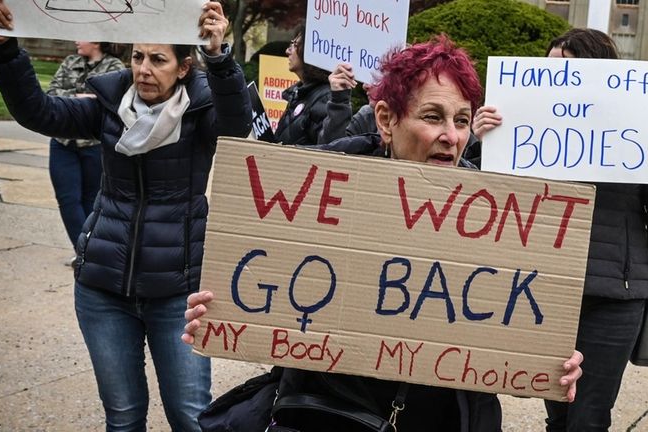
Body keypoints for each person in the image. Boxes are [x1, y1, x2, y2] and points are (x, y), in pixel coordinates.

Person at [182, 35, 584, 432]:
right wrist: (215, 309)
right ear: (386, 120)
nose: (452, 135)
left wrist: (548, 360)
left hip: (440, 417)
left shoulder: (494, 218)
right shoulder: (319, 191)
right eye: (432, 117)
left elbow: (510, 324)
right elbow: (261, 281)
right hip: (328, 412)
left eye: (462, 120)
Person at [0, 2, 252, 431]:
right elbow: (39, 112)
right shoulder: (108, 105)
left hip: (177, 294)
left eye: (158, 59)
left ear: (184, 68)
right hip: (103, 291)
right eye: (137, 57)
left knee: (190, 418)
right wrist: (5, 52)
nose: (144, 69)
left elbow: (237, 128)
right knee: (123, 416)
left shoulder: (204, 113)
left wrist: (220, 57)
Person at [471, 28, 648, 432]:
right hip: (544, 289)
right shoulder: (525, 127)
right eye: (550, 71)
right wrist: (481, 141)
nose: (556, 83)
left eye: (568, 72)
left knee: (589, 416)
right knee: (557, 409)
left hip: (614, 296)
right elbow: (482, 198)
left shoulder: (641, 129)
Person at [46, 41, 125, 266]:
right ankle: (84, 252)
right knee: (67, 199)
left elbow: (112, 102)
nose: (76, 41)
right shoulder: (70, 61)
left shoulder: (114, 66)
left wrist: (72, 99)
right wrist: (86, 97)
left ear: (97, 40)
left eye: (82, 37)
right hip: (62, 142)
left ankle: (89, 253)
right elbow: (52, 93)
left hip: (94, 144)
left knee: (92, 200)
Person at [274, 24, 339, 145]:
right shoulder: (300, 94)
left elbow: (326, 150)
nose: (287, 51)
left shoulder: (324, 98)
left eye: (295, 44)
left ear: (309, 51)